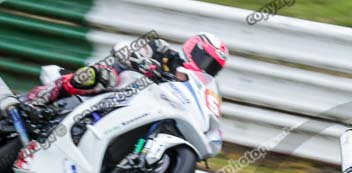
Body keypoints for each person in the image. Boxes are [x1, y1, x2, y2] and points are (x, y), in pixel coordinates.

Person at [20, 33, 228, 107]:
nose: (206, 67)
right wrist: (144, 63)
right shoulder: (161, 50)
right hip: (116, 83)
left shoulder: (190, 88)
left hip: (136, 106)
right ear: (193, 48)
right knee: (101, 76)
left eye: (212, 66)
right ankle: (35, 100)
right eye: (206, 60)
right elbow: (124, 48)